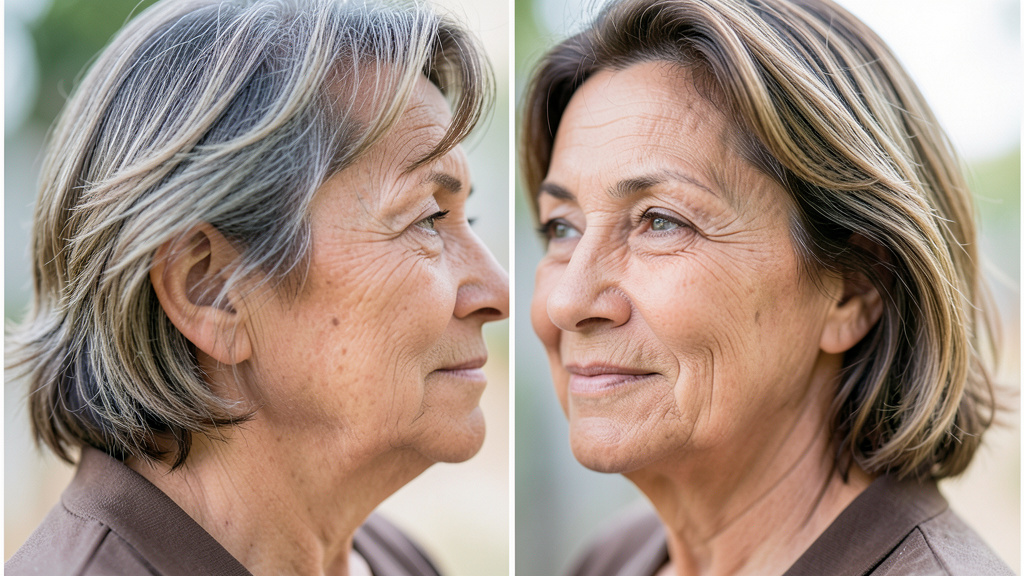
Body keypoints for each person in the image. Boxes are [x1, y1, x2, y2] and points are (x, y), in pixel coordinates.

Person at [6, 0, 508, 574]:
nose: (498, 291)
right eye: (426, 219)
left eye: (471, 220)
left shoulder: (395, 558)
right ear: (212, 289)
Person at [521, 0, 1011, 574]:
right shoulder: (613, 559)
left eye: (661, 221)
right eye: (562, 227)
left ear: (855, 288)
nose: (567, 301)